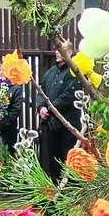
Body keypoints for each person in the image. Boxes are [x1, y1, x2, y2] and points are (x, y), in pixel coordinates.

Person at [37, 41, 82, 182]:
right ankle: (52, 191)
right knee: (50, 160)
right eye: (56, 50)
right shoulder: (50, 72)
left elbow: (69, 96)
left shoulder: (74, 72)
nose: (57, 52)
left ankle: (69, 192)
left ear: (69, 53)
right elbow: (41, 91)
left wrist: (49, 108)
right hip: (50, 124)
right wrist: (41, 107)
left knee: (68, 159)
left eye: (60, 50)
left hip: (68, 125)